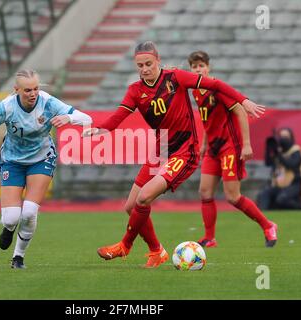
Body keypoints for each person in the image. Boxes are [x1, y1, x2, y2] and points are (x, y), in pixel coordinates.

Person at [83, 41, 268, 268]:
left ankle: (125, 245)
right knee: (131, 206)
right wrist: (97, 129)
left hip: (184, 149)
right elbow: (116, 119)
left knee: (143, 198)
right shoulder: (135, 91)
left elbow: (216, 84)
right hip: (161, 150)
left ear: (158, 60)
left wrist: (243, 100)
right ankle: (156, 251)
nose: (144, 69)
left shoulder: (176, 78)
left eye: (148, 64)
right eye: (140, 65)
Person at [0, 69, 92, 269]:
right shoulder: (8, 106)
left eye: (36, 89)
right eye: (28, 90)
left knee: (29, 212)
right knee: (11, 217)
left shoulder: (47, 102)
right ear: (17, 90)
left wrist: (69, 119)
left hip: (41, 159)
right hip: (12, 161)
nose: (33, 94)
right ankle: (8, 228)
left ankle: (18, 257)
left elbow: (86, 119)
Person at [188, 50, 278, 248]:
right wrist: (204, 144)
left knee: (232, 196)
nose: (198, 69)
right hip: (213, 147)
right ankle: (209, 238)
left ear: (208, 67)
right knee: (204, 192)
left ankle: (268, 225)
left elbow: (240, 111)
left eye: (201, 66)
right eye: (194, 67)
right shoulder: (195, 90)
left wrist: (246, 144)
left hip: (230, 146)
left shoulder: (217, 89)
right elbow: (207, 120)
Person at [257, 127, 301, 210]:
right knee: (263, 195)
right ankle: (264, 216)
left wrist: (279, 154)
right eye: (281, 136)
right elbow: (268, 163)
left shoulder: (296, 150)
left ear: (291, 138)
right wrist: (268, 149)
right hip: (279, 185)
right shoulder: (278, 150)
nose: (283, 139)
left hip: (294, 184)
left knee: (282, 199)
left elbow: (291, 164)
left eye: (286, 137)